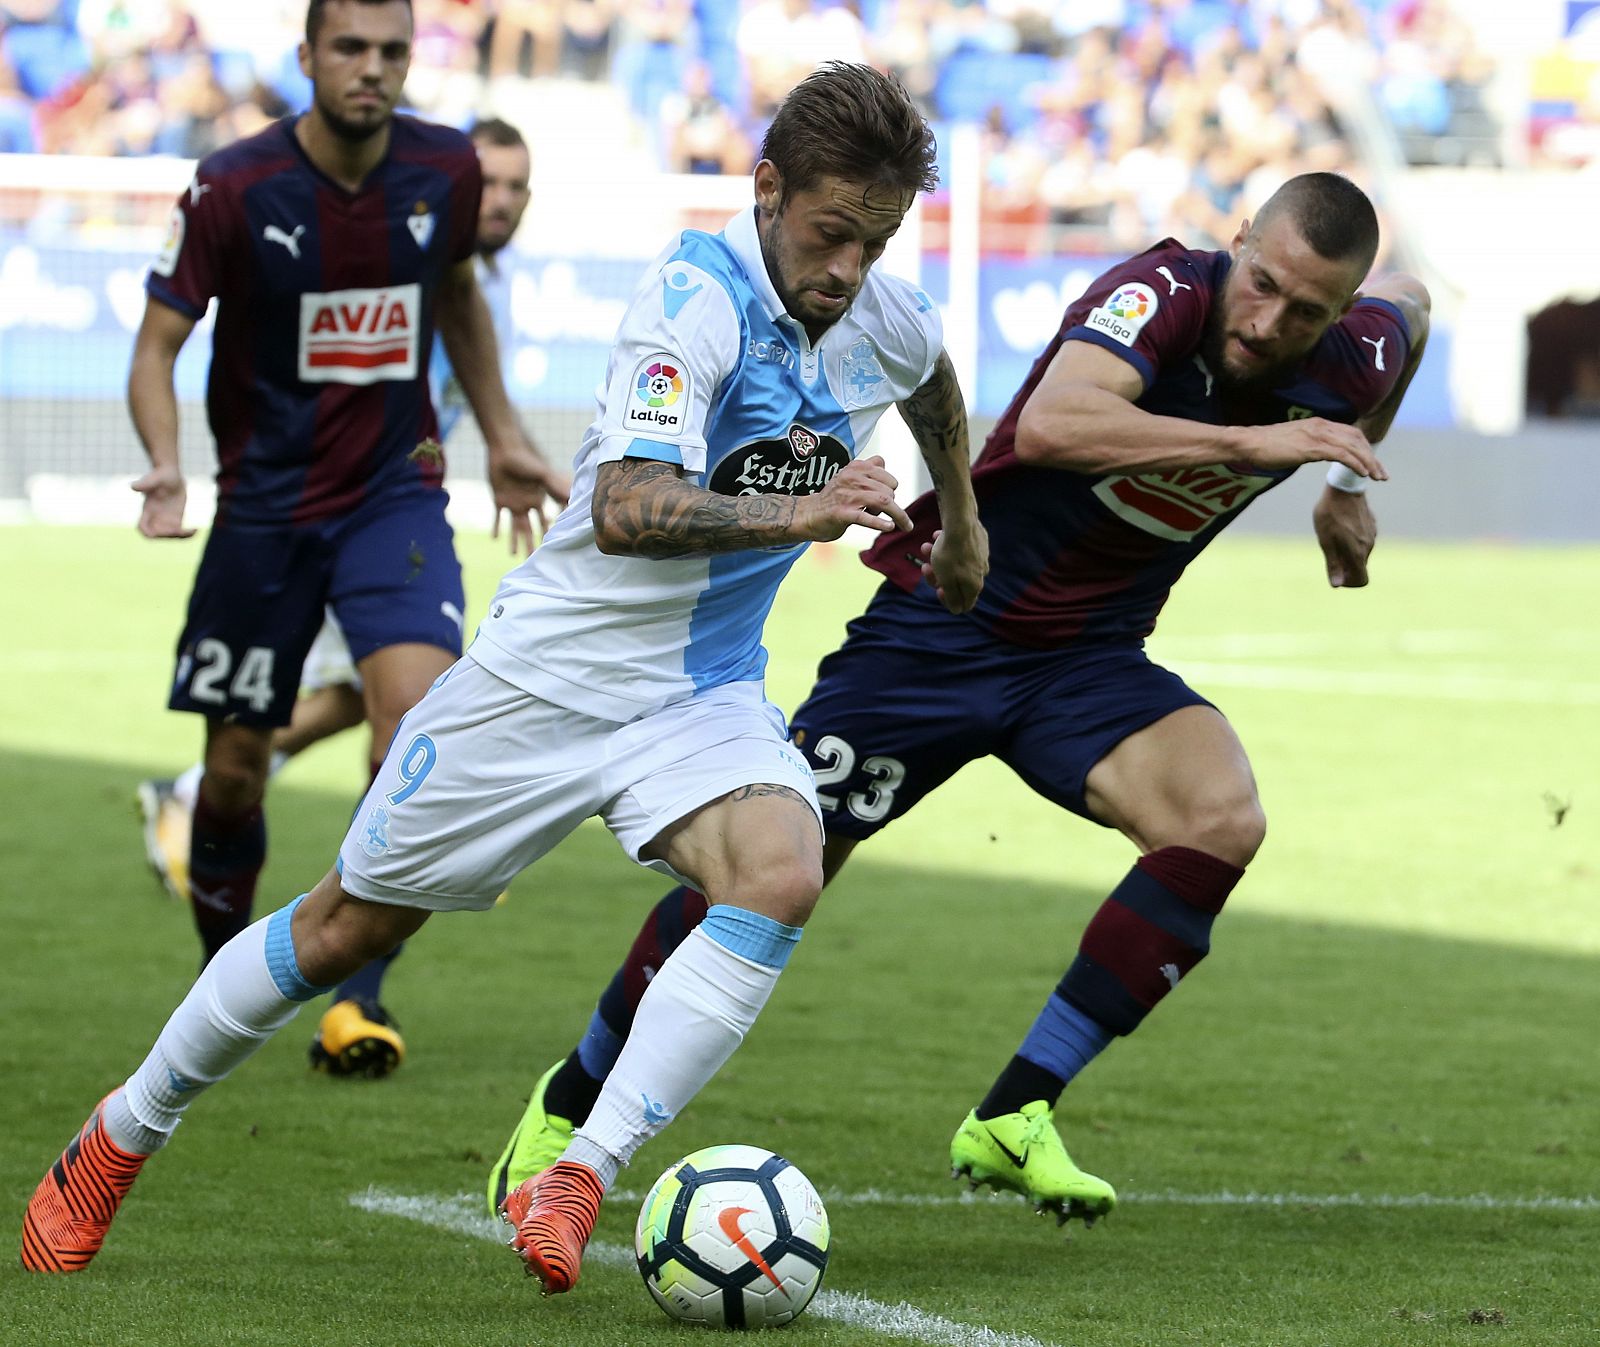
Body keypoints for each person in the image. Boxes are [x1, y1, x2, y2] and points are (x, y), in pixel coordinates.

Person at [21, 59, 988, 1290]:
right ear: (764, 189)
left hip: (697, 692)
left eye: (878, 239)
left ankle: (579, 1175)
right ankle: (122, 1132)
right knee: (340, 928)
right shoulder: (692, 296)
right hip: (543, 678)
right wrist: (793, 521)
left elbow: (936, 386)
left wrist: (961, 524)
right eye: (830, 231)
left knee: (782, 869)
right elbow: (632, 507)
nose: (848, 266)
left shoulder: (885, 316)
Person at [485, 170, 1432, 1228]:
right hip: (941, 621)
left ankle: (1014, 1113)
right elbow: (1061, 425)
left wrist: (1347, 487)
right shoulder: (1159, 292)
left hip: (1088, 657)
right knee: (772, 868)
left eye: (1308, 310)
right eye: (1260, 283)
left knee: (1218, 817)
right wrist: (1258, 444)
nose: (1269, 321)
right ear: (1237, 243)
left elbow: (1414, 305)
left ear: (1341, 314)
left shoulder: (1358, 353)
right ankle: (569, 1105)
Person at [116, 0, 561, 1002]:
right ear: (308, 55)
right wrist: (166, 460)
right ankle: (221, 987)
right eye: (351, 49)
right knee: (232, 775)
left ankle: (351, 985)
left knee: (413, 740)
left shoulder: (442, 170)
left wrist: (501, 437)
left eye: (392, 52)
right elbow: (156, 345)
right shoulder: (232, 185)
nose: (372, 69)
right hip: (263, 512)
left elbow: (455, 297)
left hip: (392, 498)